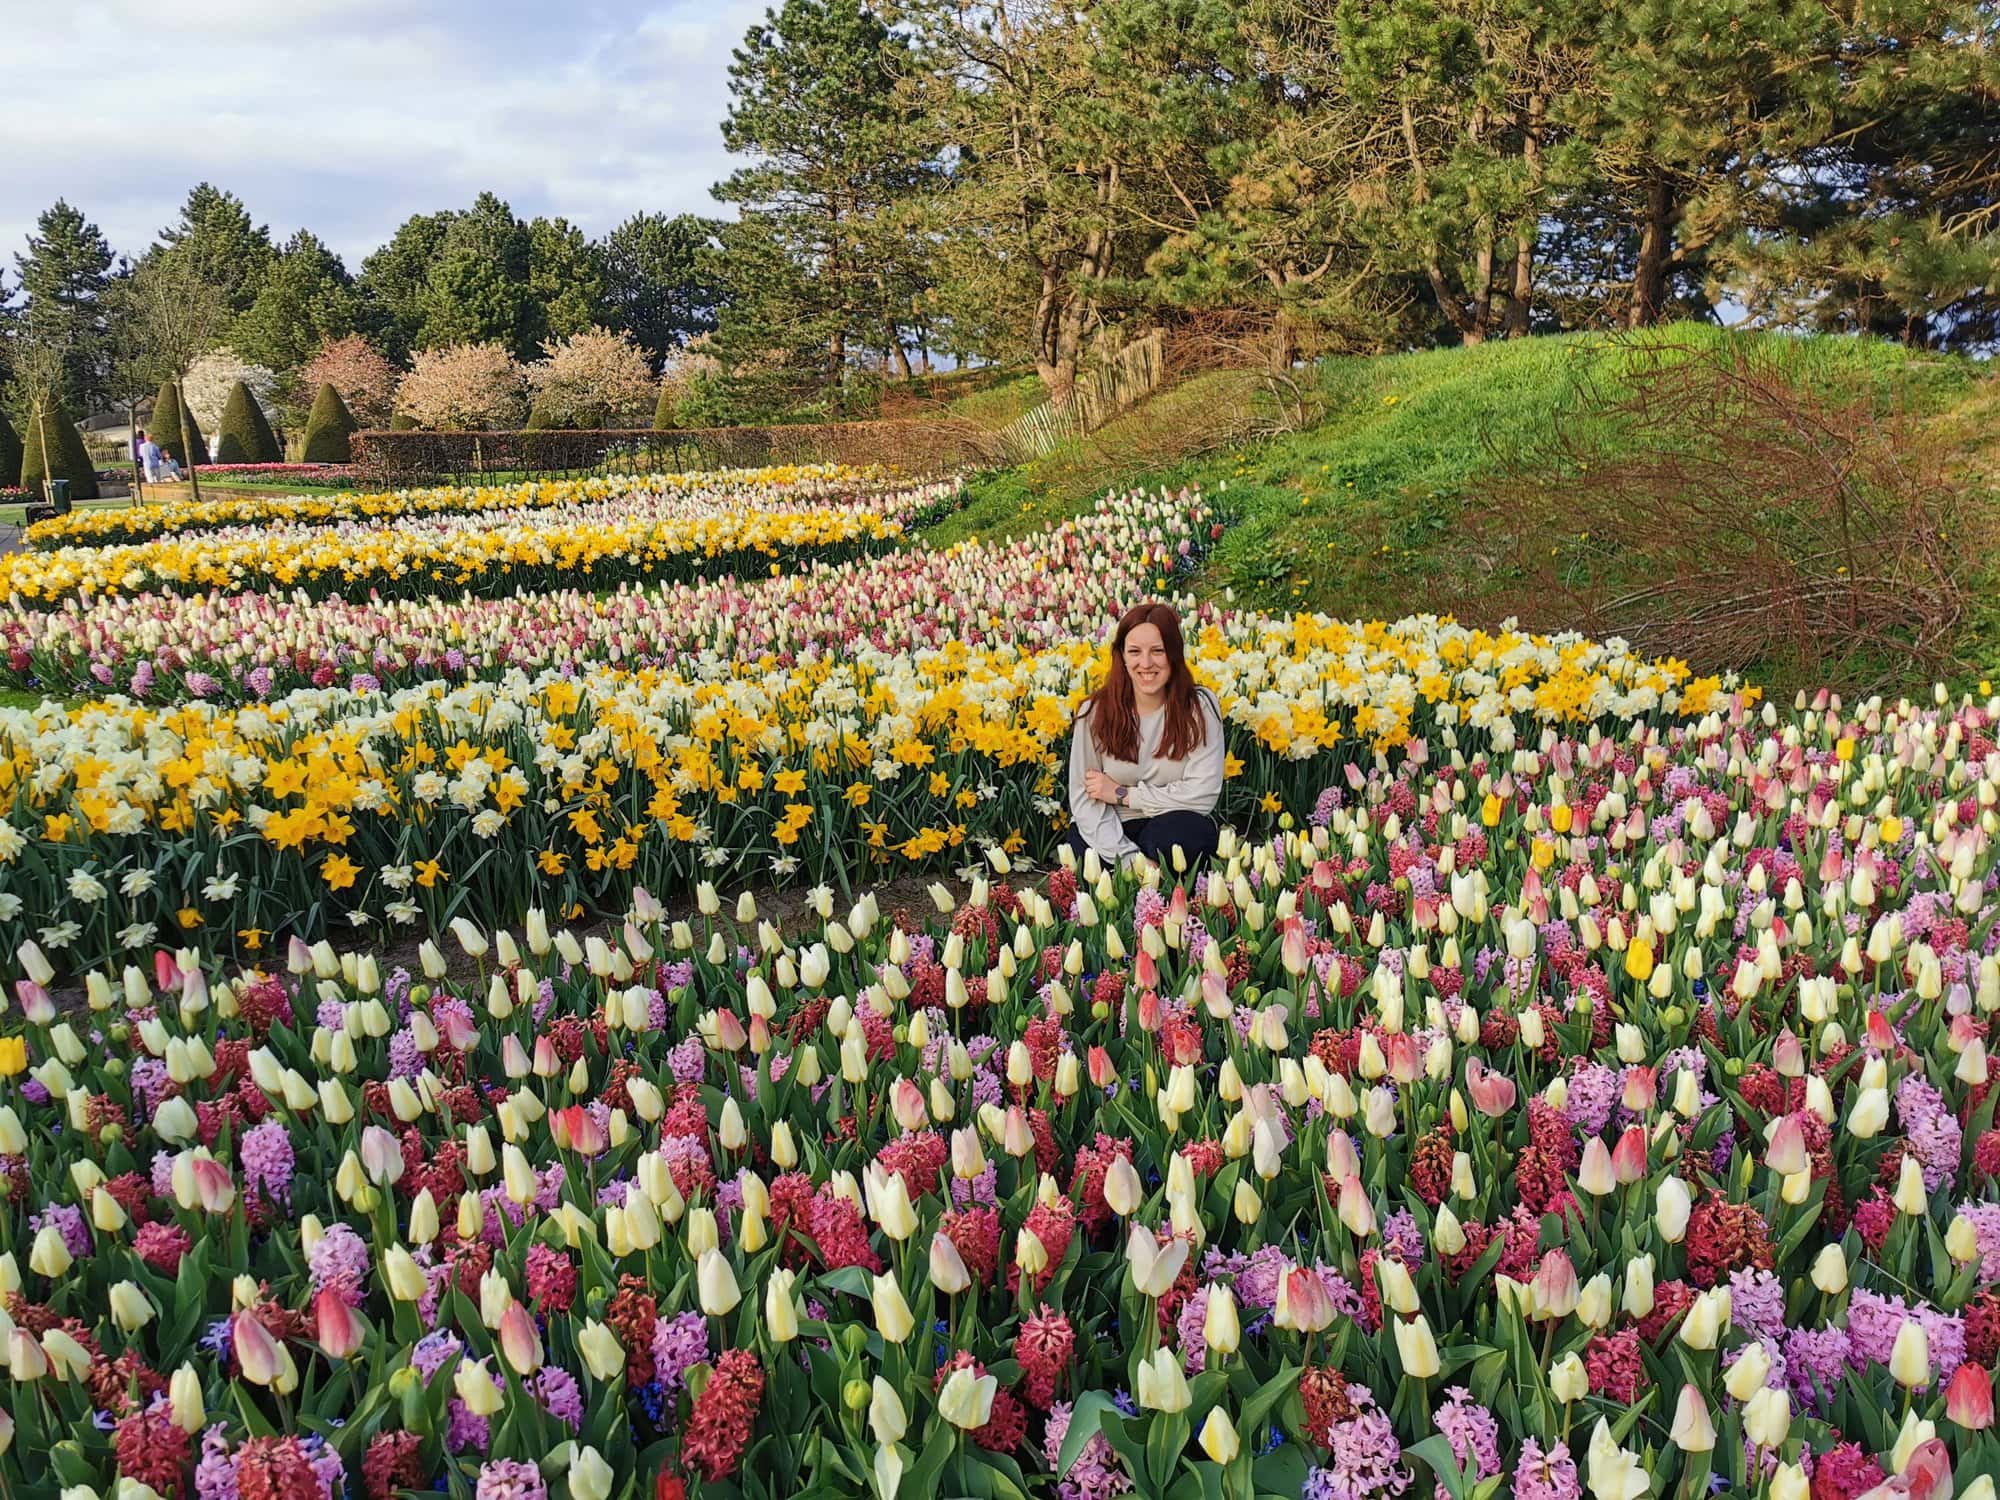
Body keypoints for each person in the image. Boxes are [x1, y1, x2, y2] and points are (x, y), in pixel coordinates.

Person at [1067, 602, 1224, 872]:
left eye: (1158, 651)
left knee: (1184, 836)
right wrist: (1132, 862)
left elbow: (1203, 794)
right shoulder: (1095, 712)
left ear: (1173, 653)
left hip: (1170, 824)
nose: (1146, 663)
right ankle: (1155, 883)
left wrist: (1121, 794)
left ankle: (1168, 892)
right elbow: (1085, 800)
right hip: (1111, 825)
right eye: (1135, 652)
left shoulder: (1199, 707)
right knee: (1084, 846)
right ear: (1122, 656)